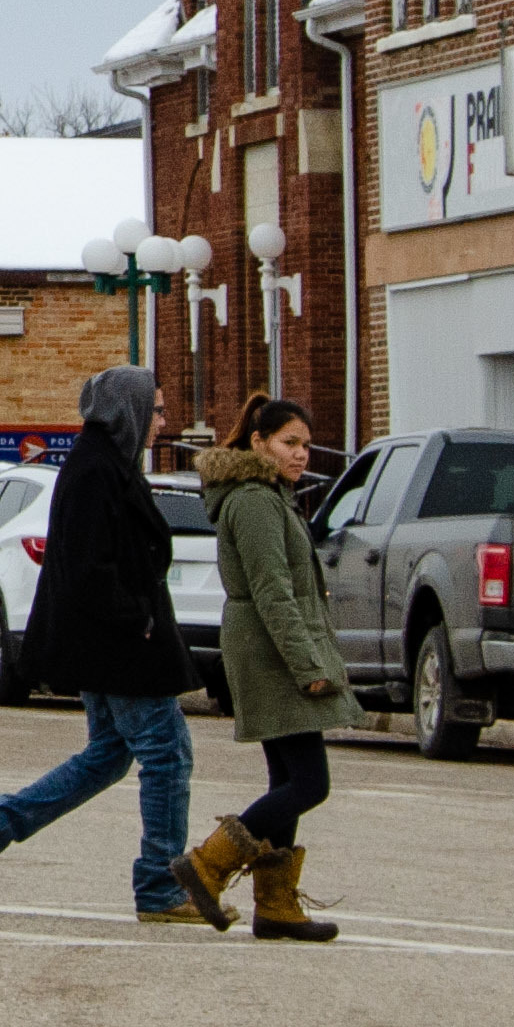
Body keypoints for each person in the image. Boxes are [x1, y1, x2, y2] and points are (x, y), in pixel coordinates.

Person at [0, 366, 214, 927]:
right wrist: (134, 619)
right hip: (120, 645)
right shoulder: (96, 468)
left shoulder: (107, 462)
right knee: (167, 754)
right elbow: (89, 567)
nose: (163, 423)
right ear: (130, 411)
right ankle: (160, 885)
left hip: (114, 641)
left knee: (108, 757)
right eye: (157, 411)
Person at [174, 394, 354, 941]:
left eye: (304, 444)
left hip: (271, 647)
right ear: (258, 443)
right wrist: (308, 666)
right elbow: (273, 593)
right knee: (309, 782)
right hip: (271, 652)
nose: (300, 454)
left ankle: (275, 906)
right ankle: (207, 864)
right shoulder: (253, 500)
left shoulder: (274, 496)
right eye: (288, 443)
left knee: (287, 778)